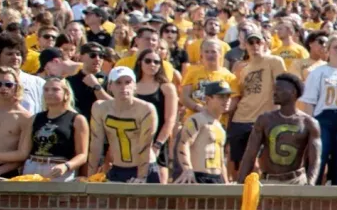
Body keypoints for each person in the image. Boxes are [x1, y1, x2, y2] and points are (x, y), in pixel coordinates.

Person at [299, 32, 337, 185]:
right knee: (320, 152)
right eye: (336, 47)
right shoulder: (318, 72)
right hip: (323, 118)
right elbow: (309, 102)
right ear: (328, 50)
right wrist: (310, 125)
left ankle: (336, 186)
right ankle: (312, 186)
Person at [237, 73, 321, 186]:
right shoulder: (264, 120)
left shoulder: (309, 123)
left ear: (293, 93)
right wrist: (240, 184)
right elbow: (250, 154)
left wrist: (310, 184)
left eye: (279, 89)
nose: (274, 93)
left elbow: (315, 159)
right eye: (274, 89)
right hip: (268, 181)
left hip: (297, 181)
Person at [228, 27, 287, 175]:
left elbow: (283, 88)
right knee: (237, 164)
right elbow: (240, 95)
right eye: (251, 42)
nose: (254, 46)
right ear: (245, 46)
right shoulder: (243, 68)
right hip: (240, 118)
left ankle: (257, 196)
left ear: (264, 44)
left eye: (258, 42)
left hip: (262, 119)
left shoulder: (274, 61)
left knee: (257, 164)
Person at [89, 67, 159, 183]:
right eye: (118, 83)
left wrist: (142, 177)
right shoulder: (100, 107)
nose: (123, 87)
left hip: (144, 168)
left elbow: (145, 145)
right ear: (110, 86)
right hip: (118, 168)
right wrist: (90, 176)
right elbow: (96, 143)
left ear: (135, 85)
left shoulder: (145, 109)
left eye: (128, 82)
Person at [23, 77, 88, 181]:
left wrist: (66, 166)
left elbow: (82, 155)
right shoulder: (35, 118)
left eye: (55, 89)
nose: (49, 93)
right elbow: (24, 152)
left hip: (59, 167)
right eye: (46, 89)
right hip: (33, 165)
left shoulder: (77, 119)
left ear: (66, 94)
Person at [132, 48, 179, 184]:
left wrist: (157, 145)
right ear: (140, 62)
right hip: (133, 139)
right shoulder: (132, 86)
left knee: (159, 184)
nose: (152, 64)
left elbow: (170, 119)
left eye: (157, 62)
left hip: (157, 139)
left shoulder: (166, 87)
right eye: (148, 61)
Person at [176, 81, 233, 184]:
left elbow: (220, 159)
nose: (226, 100)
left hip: (216, 178)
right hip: (198, 176)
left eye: (228, 96)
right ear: (208, 99)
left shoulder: (219, 126)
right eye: (221, 97)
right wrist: (187, 169)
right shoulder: (197, 119)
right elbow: (183, 144)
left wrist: (226, 182)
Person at [0, 67, 34, 178]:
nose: (3, 88)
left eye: (8, 84)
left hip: (4, 173)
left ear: (16, 86)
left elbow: (23, 155)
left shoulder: (26, 117)